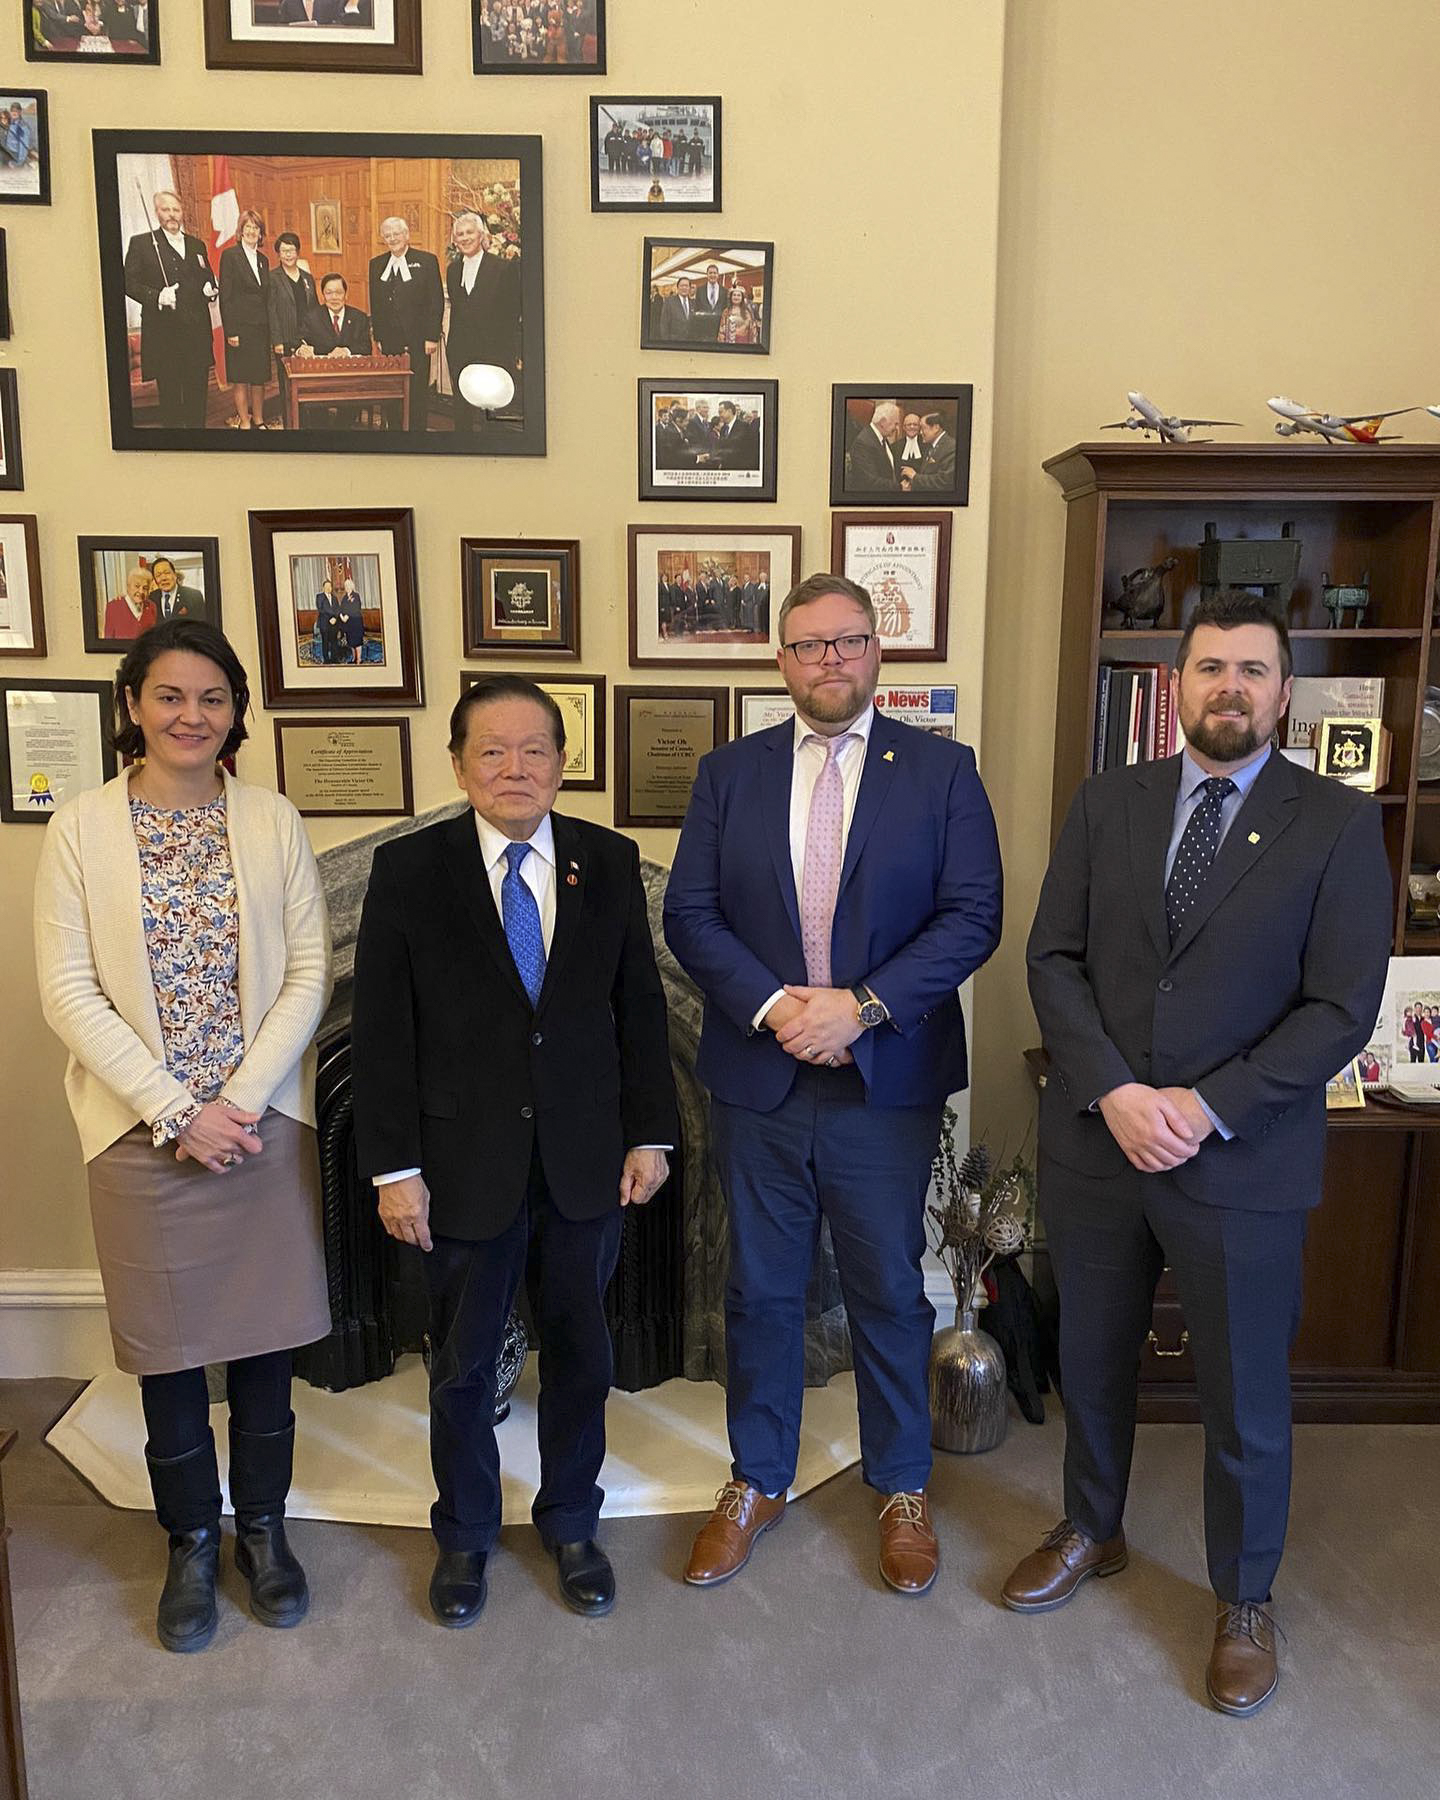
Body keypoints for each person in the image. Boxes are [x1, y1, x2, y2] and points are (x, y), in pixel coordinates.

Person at [1009, 589, 1393, 1716]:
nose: (1230, 687)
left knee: (1243, 1396)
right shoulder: (1105, 802)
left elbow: (1340, 1009)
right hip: (1099, 1143)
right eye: (1210, 667)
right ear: (1177, 685)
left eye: (1254, 671)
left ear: (1284, 691)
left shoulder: (1335, 823)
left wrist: (1204, 1106)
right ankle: (1092, 1527)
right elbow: (1052, 959)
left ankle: (1243, 1597)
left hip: (1243, 1157)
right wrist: (1119, 1091)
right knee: (1092, 1361)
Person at [664, 573, 1003, 1597]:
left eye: (849, 642)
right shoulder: (731, 773)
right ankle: (757, 1476)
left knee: (889, 1291)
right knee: (761, 1292)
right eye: (809, 646)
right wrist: (779, 1009)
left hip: (883, 1081)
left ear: (876, 653)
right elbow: (691, 914)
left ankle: (901, 1483)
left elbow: (972, 915)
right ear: (781, 659)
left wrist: (854, 1008)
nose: (830, 662)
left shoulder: (942, 773)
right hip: (760, 1077)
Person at [350, 675, 678, 1628]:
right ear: (458, 765)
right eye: (491, 750)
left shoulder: (608, 863)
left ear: (562, 763)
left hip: (587, 1161)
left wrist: (651, 1133)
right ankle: (464, 1536)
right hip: (458, 1168)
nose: (515, 767)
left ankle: (572, 1521)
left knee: (582, 1355)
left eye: (534, 749)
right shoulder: (410, 871)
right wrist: (392, 1168)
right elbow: (381, 1031)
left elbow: (640, 1010)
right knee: (461, 1364)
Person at [34, 617, 332, 1654]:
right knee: (167, 1356)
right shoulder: (80, 828)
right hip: (137, 1134)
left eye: (211, 698)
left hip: (258, 1128)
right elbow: (67, 990)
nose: (190, 715)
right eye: (169, 695)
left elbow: (308, 971)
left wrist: (236, 1104)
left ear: (235, 712)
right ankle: (191, 1542)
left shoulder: (270, 818)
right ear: (133, 706)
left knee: (261, 1350)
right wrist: (175, 1109)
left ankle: (264, 1532)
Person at [123, 190, 219, 430]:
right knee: (171, 400)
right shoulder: (142, 243)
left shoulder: (197, 245)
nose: (172, 215)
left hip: (196, 334)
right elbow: (127, 283)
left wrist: (210, 288)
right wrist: (156, 296)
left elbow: (207, 277)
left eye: (176, 209)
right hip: (164, 336)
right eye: (166, 209)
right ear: (157, 212)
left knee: (198, 395)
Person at [445, 211, 523, 434]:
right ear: (455, 240)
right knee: (462, 413)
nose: (464, 238)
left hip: (494, 351)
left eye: (470, 232)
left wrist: (512, 351)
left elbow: (512, 313)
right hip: (460, 351)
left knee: (491, 415)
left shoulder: (503, 267)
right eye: (459, 234)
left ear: (481, 235)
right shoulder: (453, 270)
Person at [368, 215, 444, 436]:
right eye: (388, 235)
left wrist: (431, 336)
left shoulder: (427, 261)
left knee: (417, 389)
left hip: (419, 339)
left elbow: (435, 301)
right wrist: (378, 336)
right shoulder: (377, 264)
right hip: (390, 340)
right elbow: (376, 303)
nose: (392, 238)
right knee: (393, 387)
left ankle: (416, 433)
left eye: (396, 233)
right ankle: (394, 431)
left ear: (407, 235)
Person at [219, 209, 272, 431]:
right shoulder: (230, 256)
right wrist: (231, 331)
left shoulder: (263, 259)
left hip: (260, 328)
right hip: (239, 329)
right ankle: (245, 421)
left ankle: (259, 420)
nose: (252, 231)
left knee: (258, 378)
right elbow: (226, 296)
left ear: (261, 234)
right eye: (248, 227)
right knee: (240, 378)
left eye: (256, 228)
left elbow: (266, 295)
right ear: (241, 231)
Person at [266, 231, 318, 429]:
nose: (288, 254)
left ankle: (308, 424)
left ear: (298, 252)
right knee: (287, 386)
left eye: (292, 250)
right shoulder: (273, 277)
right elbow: (271, 311)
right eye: (284, 250)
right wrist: (277, 341)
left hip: (307, 339)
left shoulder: (307, 278)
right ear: (278, 254)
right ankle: (290, 426)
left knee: (307, 384)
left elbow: (314, 307)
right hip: (286, 339)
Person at [300, 273, 371, 357]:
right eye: (329, 293)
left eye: (339, 292)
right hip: (322, 368)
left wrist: (347, 351)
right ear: (323, 295)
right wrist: (301, 349)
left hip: (351, 368)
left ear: (346, 295)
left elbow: (366, 347)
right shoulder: (312, 318)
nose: (334, 297)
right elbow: (300, 341)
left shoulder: (359, 318)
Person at [846, 401, 901, 491]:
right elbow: (869, 481)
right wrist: (899, 487)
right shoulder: (863, 442)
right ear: (883, 422)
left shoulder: (881, 438)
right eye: (895, 423)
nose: (897, 428)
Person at [901, 411, 958, 493]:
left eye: (923, 428)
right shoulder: (930, 446)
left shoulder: (951, 447)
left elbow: (944, 480)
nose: (920, 432)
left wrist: (915, 476)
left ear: (936, 428)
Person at [104, 565, 158, 641]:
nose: (141, 591)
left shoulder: (152, 606)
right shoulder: (113, 607)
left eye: (145, 588)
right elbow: (108, 640)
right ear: (128, 586)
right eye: (137, 586)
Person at [149, 556, 205, 622]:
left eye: (167, 573)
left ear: (175, 575)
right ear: (155, 580)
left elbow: (202, 627)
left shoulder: (194, 596)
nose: (163, 578)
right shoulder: (151, 598)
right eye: (158, 575)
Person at [336, 574, 366, 663]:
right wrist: (341, 616)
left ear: (352, 586)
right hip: (348, 624)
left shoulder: (356, 595)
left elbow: (356, 608)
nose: (347, 587)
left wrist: (347, 616)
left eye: (349, 585)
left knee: (357, 641)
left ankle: (359, 659)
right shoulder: (344, 598)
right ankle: (353, 658)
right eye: (346, 586)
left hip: (356, 622)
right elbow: (341, 608)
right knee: (351, 641)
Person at [693, 264, 726, 340]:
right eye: (710, 273)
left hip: (719, 331)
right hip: (703, 331)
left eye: (715, 273)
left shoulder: (724, 291)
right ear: (707, 275)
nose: (712, 275)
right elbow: (696, 309)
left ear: (718, 275)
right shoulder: (700, 290)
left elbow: (726, 310)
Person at [660, 277, 697, 343]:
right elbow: (664, 324)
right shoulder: (669, 302)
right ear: (677, 287)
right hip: (674, 342)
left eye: (686, 286)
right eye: (682, 286)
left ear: (689, 288)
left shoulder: (693, 303)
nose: (684, 288)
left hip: (691, 342)